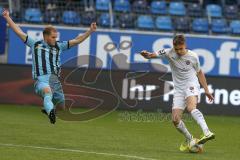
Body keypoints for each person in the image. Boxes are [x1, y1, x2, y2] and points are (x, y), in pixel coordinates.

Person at [2, 9, 97, 124]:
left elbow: (77, 40)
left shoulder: (59, 46)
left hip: (55, 82)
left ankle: (50, 110)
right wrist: (7, 18)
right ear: (45, 36)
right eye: (53, 37)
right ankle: (50, 112)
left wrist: (90, 31)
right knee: (48, 92)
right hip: (41, 81)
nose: (55, 39)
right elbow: (19, 32)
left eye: (55, 37)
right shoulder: (35, 44)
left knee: (62, 107)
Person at [140, 34, 215, 151]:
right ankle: (190, 139)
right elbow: (151, 55)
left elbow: (200, 73)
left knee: (191, 107)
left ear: (185, 45)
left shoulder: (193, 56)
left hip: (191, 84)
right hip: (179, 89)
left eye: (181, 48)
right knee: (175, 119)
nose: (179, 51)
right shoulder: (168, 52)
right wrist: (146, 54)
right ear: (173, 47)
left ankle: (207, 132)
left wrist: (206, 90)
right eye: (177, 49)